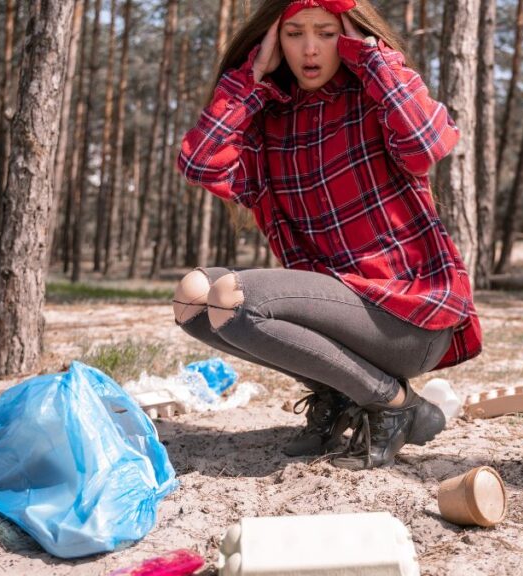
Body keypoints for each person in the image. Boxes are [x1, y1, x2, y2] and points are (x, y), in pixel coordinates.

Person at [174, 0, 481, 470]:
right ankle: (338, 397)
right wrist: (250, 82)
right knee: (194, 299)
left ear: (351, 35)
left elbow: (426, 145)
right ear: (274, 43)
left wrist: (374, 58)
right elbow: (200, 164)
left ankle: (395, 406)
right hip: (336, 313)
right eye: (294, 34)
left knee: (234, 298)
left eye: (327, 32)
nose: (310, 48)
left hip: (406, 319)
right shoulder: (269, 119)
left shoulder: (376, 96)